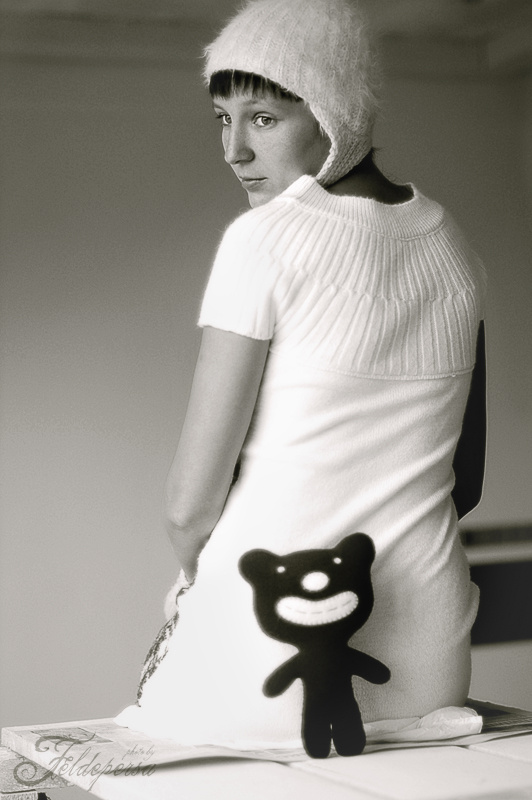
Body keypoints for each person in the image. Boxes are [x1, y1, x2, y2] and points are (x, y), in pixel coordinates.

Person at [115, 0, 487, 752]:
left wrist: (204, 588)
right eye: (223, 119)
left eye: (264, 119)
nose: (234, 151)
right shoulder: (454, 249)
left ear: (333, 114)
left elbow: (190, 507)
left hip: (265, 651)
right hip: (430, 662)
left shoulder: (265, 239)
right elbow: (466, 482)